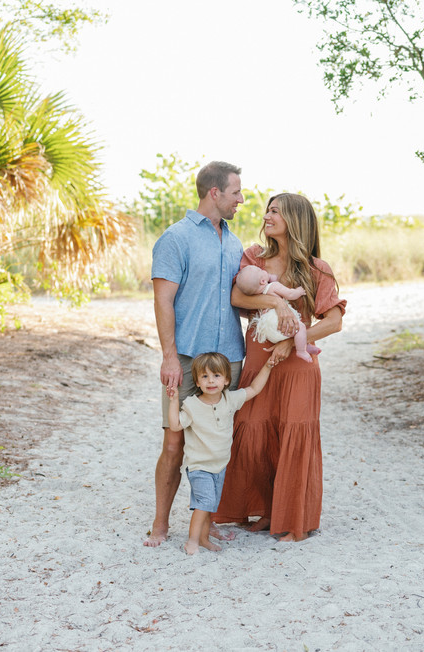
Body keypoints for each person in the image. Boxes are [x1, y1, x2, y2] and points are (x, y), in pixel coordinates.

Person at [213, 193, 346, 542]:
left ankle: (295, 522)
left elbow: (334, 321)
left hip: (298, 367)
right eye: (267, 210)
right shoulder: (254, 258)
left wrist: (293, 341)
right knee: (252, 431)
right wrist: (276, 301)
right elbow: (236, 297)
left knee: (293, 436)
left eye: (275, 211)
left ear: (294, 219)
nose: (266, 216)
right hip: (259, 361)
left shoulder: (317, 268)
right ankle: (266, 511)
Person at [143, 161, 246, 547]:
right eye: (236, 192)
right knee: (174, 443)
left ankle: (207, 521)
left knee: (217, 442)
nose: (241, 199)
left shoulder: (235, 243)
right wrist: (169, 356)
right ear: (214, 193)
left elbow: (240, 297)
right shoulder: (176, 239)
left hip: (228, 357)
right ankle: (160, 524)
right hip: (186, 357)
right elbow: (163, 301)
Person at [167, 352, 274, 555]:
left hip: (219, 465)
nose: (211, 381)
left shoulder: (229, 399)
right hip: (199, 466)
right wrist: (173, 401)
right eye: (205, 376)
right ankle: (192, 541)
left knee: (208, 506)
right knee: (204, 504)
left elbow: (254, 389)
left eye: (216, 375)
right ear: (197, 382)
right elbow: (175, 425)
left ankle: (204, 539)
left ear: (226, 380)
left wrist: (267, 366)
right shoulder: (192, 405)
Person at [234, 264, 320, 363]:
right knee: (300, 328)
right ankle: (301, 351)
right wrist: (299, 291)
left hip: (270, 332)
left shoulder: (257, 295)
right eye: (260, 270)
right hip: (281, 324)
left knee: (295, 334)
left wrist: (268, 277)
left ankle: (305, 346)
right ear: (263, 281)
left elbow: (268, 280)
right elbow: (290, 294)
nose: (263, 270)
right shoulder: (274, 286)